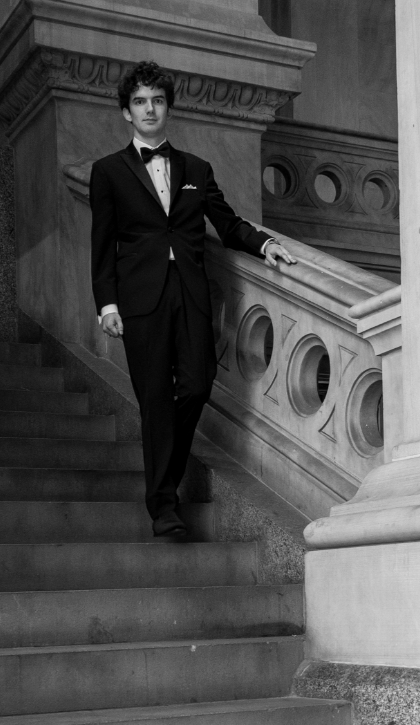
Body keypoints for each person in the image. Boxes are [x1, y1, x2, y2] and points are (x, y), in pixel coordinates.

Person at [89, 61, 295, 540]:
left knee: (198, 385)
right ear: (126, 112)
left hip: (191, 295)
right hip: (140, 302)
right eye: (140, 102)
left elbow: (228, 223)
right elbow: (101, 246)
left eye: (157, 101)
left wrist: (264, 244)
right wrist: (107, 304)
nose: (149, 109)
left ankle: (165, 473)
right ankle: (163, 506)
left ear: (168, 108)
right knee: (155, 400)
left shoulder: (196, 169)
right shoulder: (108, 173)